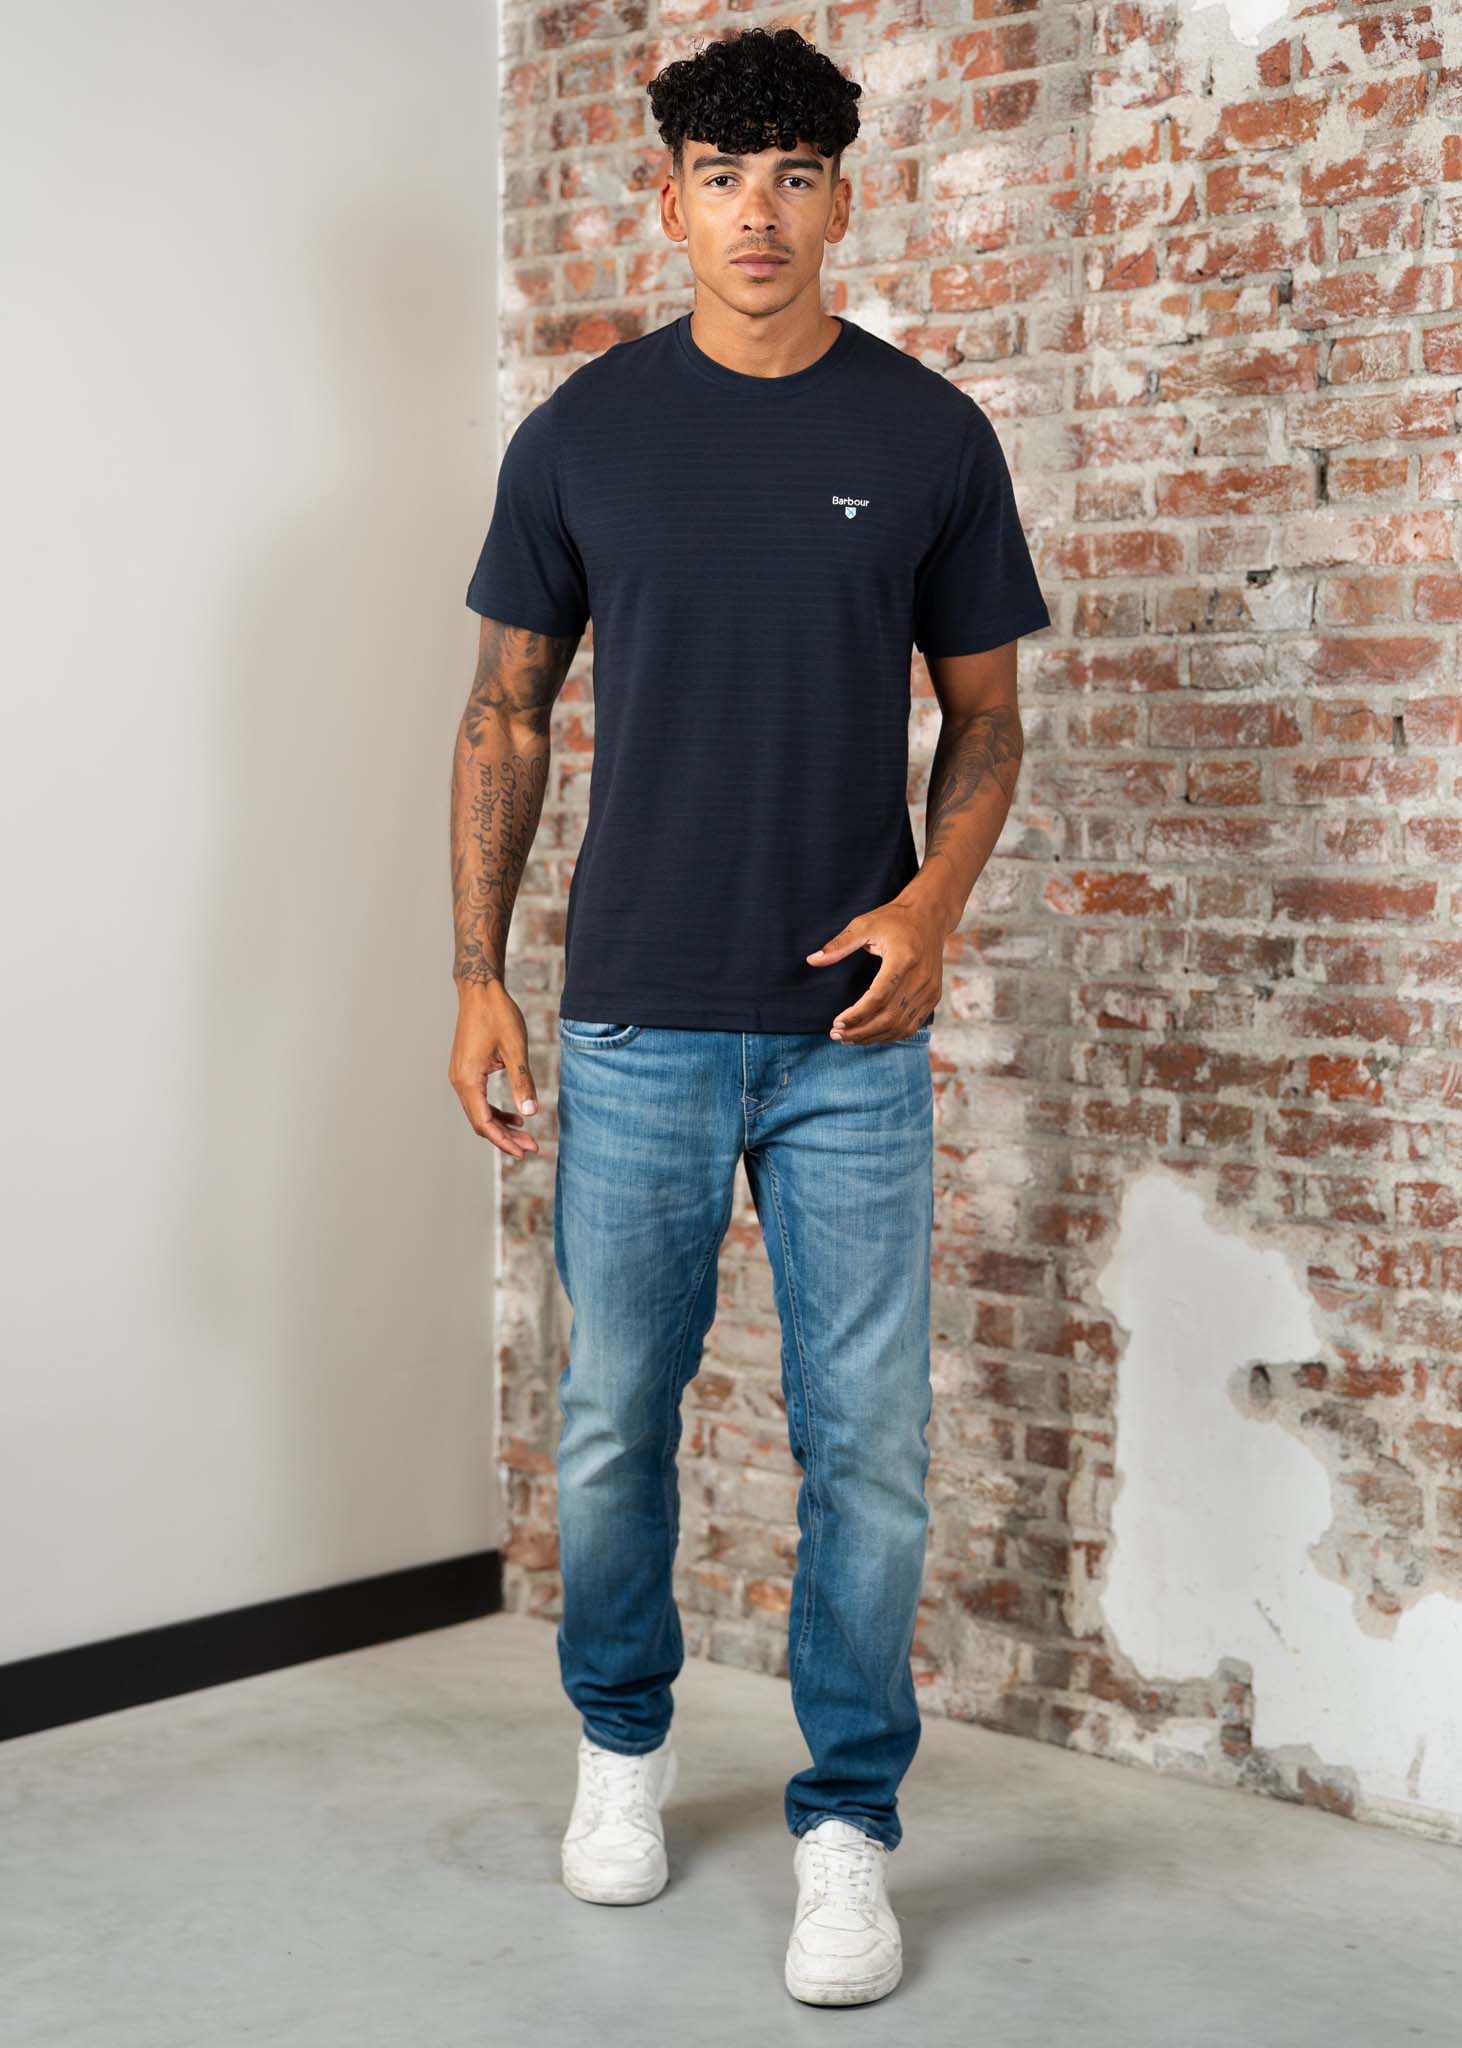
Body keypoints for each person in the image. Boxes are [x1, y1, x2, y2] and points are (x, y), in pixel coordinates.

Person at [448, 24, 1050, 2008]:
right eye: (721, 176)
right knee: (611, 1423)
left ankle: (847, 1829)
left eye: (793, 175)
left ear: (841, 198)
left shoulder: (929, 434)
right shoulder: (583, 434)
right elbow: (505, 711)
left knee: (866, 1448)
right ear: (669, 201)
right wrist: (475, 975)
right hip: (631, 1020)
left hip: (847, 1041)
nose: (758, 212)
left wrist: (930, 911)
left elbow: (985, 719)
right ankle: (620, 1749)